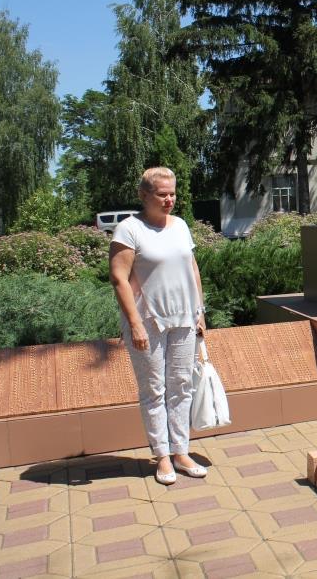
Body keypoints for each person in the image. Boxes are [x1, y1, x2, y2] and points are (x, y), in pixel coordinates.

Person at [109, 167, 208, 485]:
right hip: (148, 323)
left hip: (184, 319)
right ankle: (162, 456)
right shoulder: (129, 230)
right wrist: (135, 324)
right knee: (154, 390)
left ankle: (181, 451)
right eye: (162, 194)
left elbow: (192, 268)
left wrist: (200, 311)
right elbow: (119, 278)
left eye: (172, 193)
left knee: (181, 386)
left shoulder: (180, 226)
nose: (169, 200)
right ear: (144, 195)